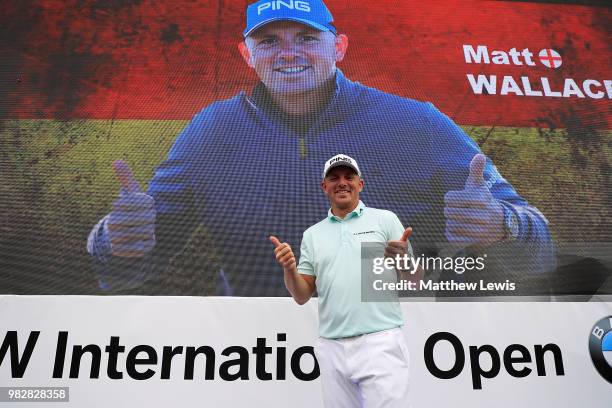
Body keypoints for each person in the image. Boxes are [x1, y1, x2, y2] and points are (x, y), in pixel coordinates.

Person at [87, 0, 555, 296]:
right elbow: (131, 267)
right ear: (246, 56)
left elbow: (539, 249)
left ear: (340, 47)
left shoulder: (419, 123)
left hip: (392, 345)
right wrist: (113, 241)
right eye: (269, 41)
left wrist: (503, 225)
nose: (288, 53)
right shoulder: (209, 132)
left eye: (307, 38)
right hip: (253, 355)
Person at [271, 154, 413, 407]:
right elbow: (302, 295)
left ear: (361, 184)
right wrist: (289, 269)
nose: (342, 183)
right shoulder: (312, 235)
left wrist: (404, 261)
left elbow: (414, 279)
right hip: (332, 346)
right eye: (334, 178)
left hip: (380, 341)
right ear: (324, 186)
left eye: (349, 177)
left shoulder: (385, 220)